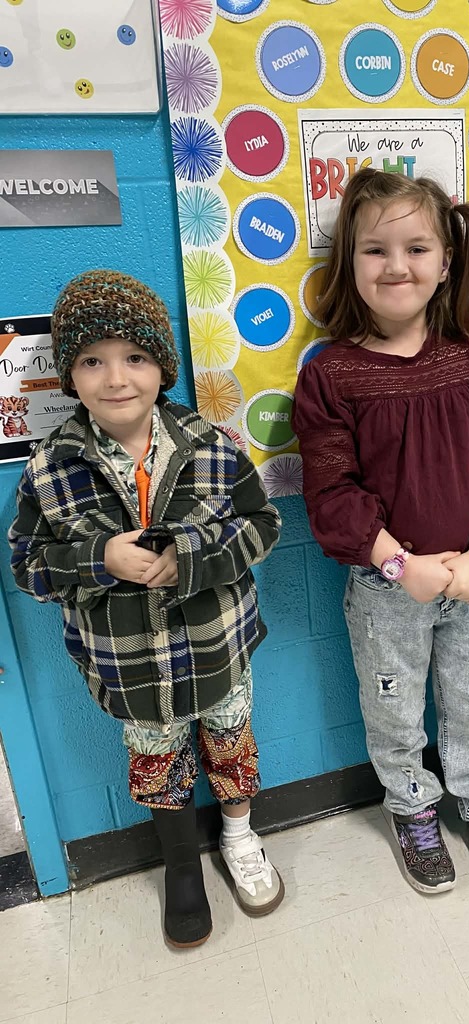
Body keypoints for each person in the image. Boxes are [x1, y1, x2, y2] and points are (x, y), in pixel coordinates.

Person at [9, 270, 284, 946]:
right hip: (130, 671)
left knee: (230, 743)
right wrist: (99, 559)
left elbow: (262, 525)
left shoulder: (211, 448)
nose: (116, 377)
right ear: (70, 376)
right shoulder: (50, 469)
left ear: (162, 367)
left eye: (134, 357)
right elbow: (27, 566)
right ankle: (182, 863)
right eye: (92, 361)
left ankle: (241, 838)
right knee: (158, 764)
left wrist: (190, 556)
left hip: (220, 651)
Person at [292, 169, 469, 893]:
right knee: (395, 709)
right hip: (384, 586)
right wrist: (401, 566)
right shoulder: (332, 374)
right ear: (349, 264)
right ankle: (412, 806)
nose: (397, 266)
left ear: (445, 262)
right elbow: (330, 491)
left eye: (417, 248)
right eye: (375, 250)